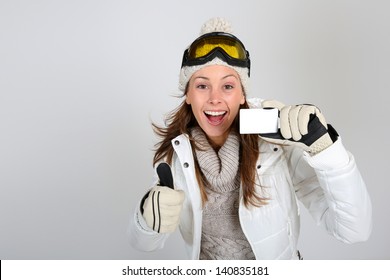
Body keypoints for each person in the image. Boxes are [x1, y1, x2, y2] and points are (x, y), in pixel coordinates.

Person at [128, 18, 372, 260]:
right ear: (188, 95)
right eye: (202, 86)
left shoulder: (276, 145)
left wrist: (324, 146)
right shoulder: (175, 155)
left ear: (242, 94)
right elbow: (144, 244)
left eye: (227, 86)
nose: (215, 99)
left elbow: (354, 231)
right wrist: (148, 219)